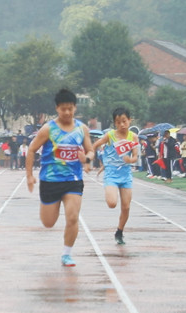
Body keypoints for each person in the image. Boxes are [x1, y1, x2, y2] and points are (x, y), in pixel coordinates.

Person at [26, 89, 94, 267]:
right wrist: (29, 176)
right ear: (57, 108)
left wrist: (86, 159)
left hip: (73, 180)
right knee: (48, 223)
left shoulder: (82, 128)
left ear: (75, 108)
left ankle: (67, 254)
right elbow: (32, 150)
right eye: (63, 109)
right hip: (50, 181)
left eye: (70, 109)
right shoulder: (48, 129)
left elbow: (91, 150)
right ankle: (47, 207)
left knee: (72, 217)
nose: (67, 112)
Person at [91, 107, 139, 245]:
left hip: (125, 174)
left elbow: (135, 156)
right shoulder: (110, 135)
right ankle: (108, 189)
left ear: (130, 120)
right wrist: (89, 158)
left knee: (126, 207)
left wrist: (130, 160)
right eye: (118, 122)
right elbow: (95, 145)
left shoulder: (133, 137)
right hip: (112, 174)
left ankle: (119, 231)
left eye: (124, 121)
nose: (121, 125)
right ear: (114, 123)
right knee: (112, 203)